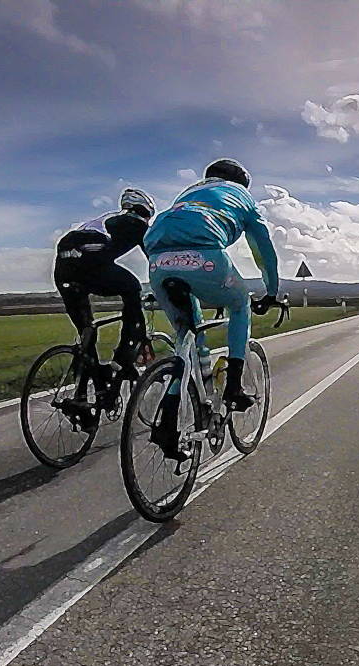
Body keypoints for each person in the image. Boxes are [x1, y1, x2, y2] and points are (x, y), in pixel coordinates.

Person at [143, 158, 280, 454]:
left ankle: (172, 411)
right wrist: (271, 290)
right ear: (241, 182)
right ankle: (233, 386)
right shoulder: (241, 195)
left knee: (187, 337)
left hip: (158, 263)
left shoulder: (188, 193)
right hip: (205, 258)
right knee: (240, 302)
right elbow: (263, 248)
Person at [53, 187, 155, 419]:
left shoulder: (103, 219)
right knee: (133, 288)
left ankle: (88, 392)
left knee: (88, 330)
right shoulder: (137, 223)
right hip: (89, 261)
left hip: (63, 266)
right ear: (146, 211)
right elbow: (155, 260)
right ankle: (122, 359)